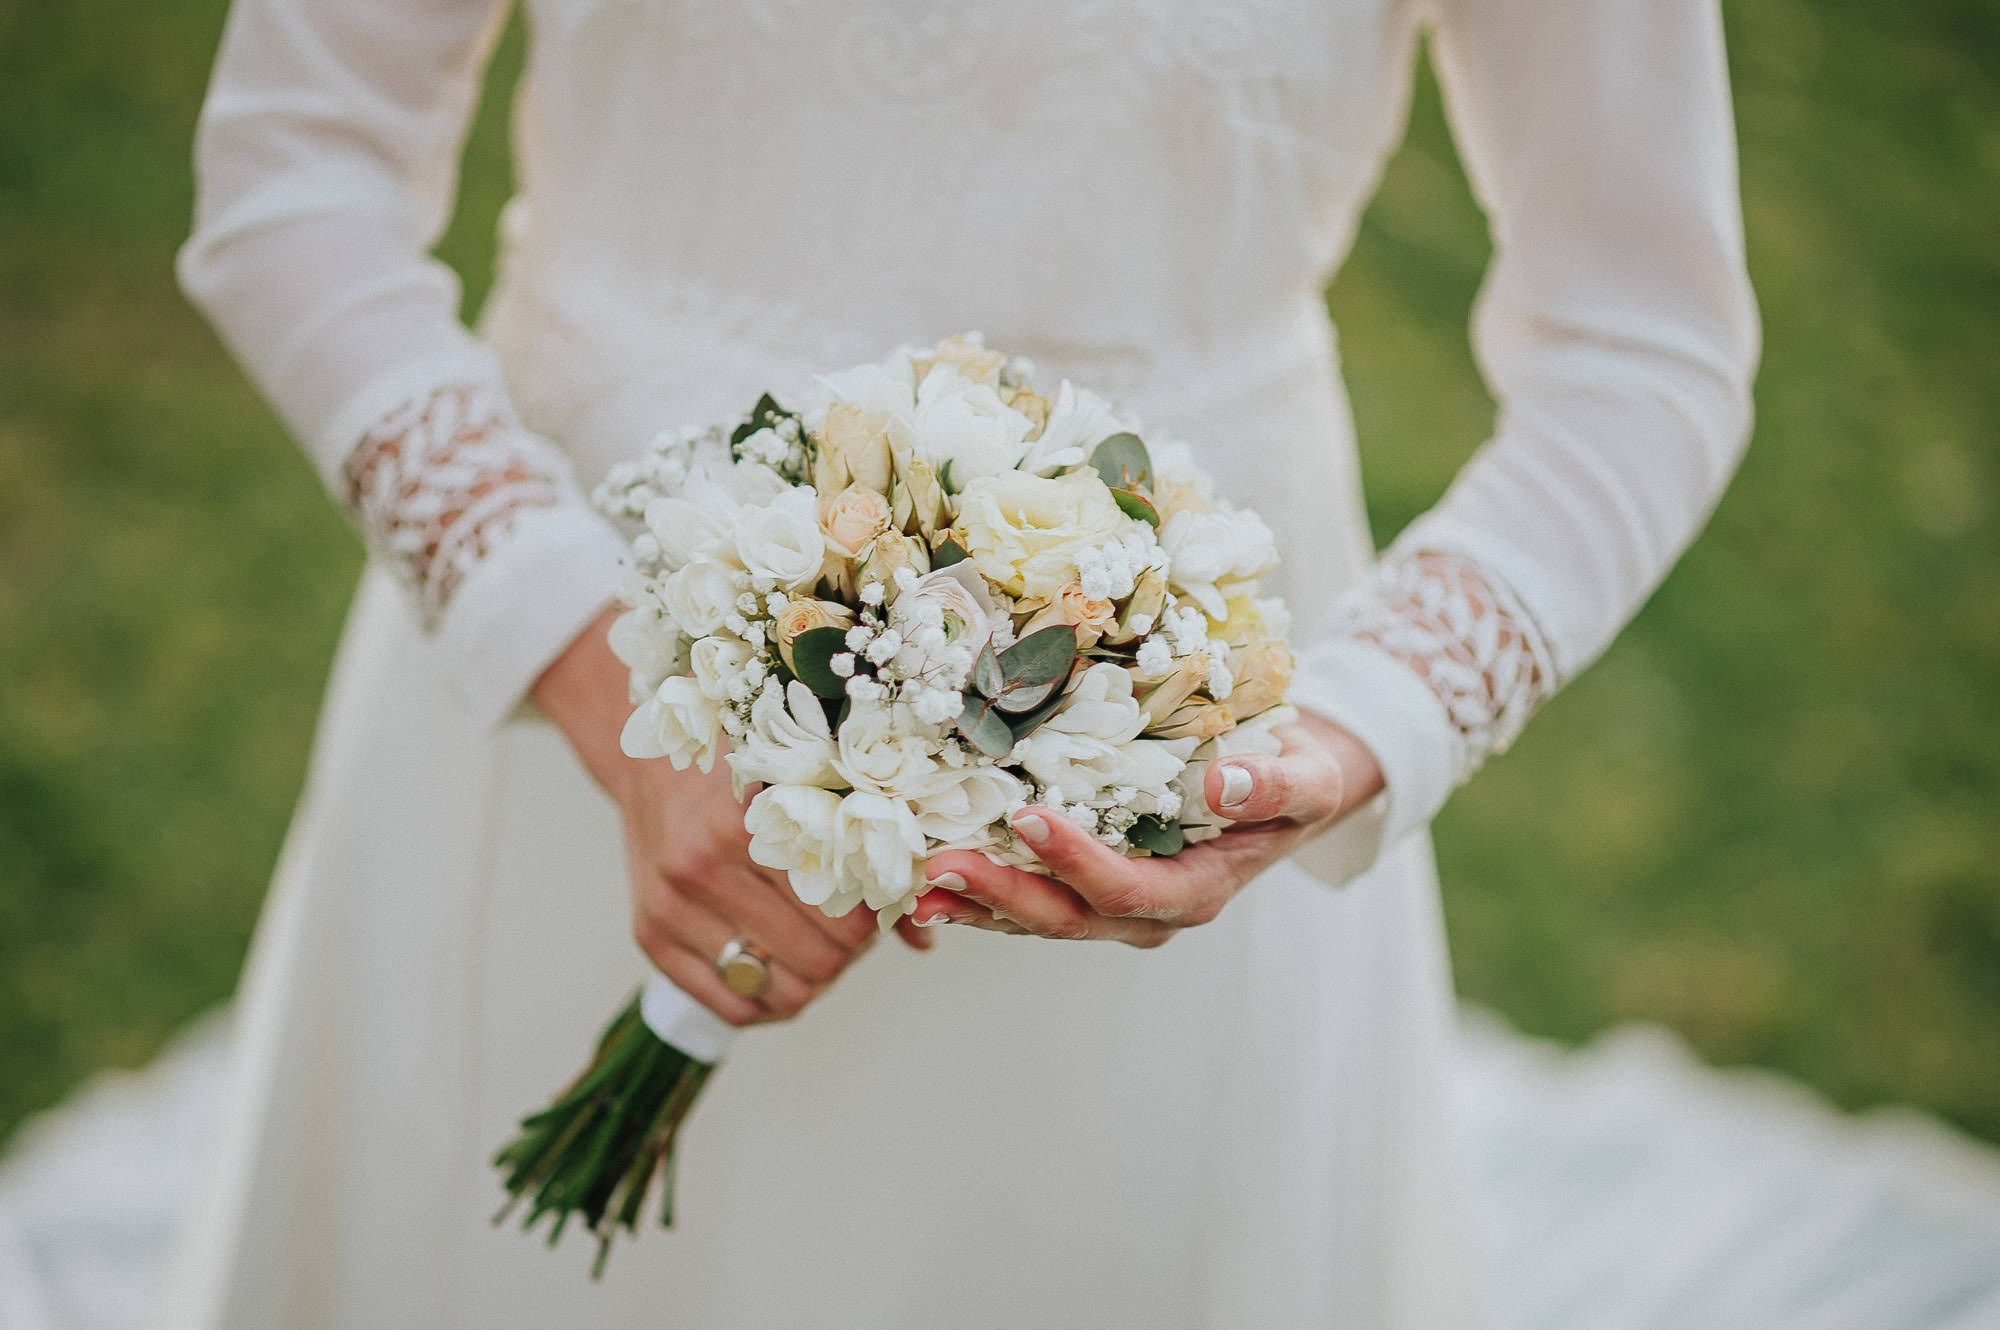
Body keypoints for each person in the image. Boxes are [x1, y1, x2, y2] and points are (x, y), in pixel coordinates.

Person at [161, 1, 1758, 1325]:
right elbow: (295, 167)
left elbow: (1642, 345)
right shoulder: (585, 665)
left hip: (1169, 716)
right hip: (583, 648)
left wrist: (1349, 734)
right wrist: (585, 666)